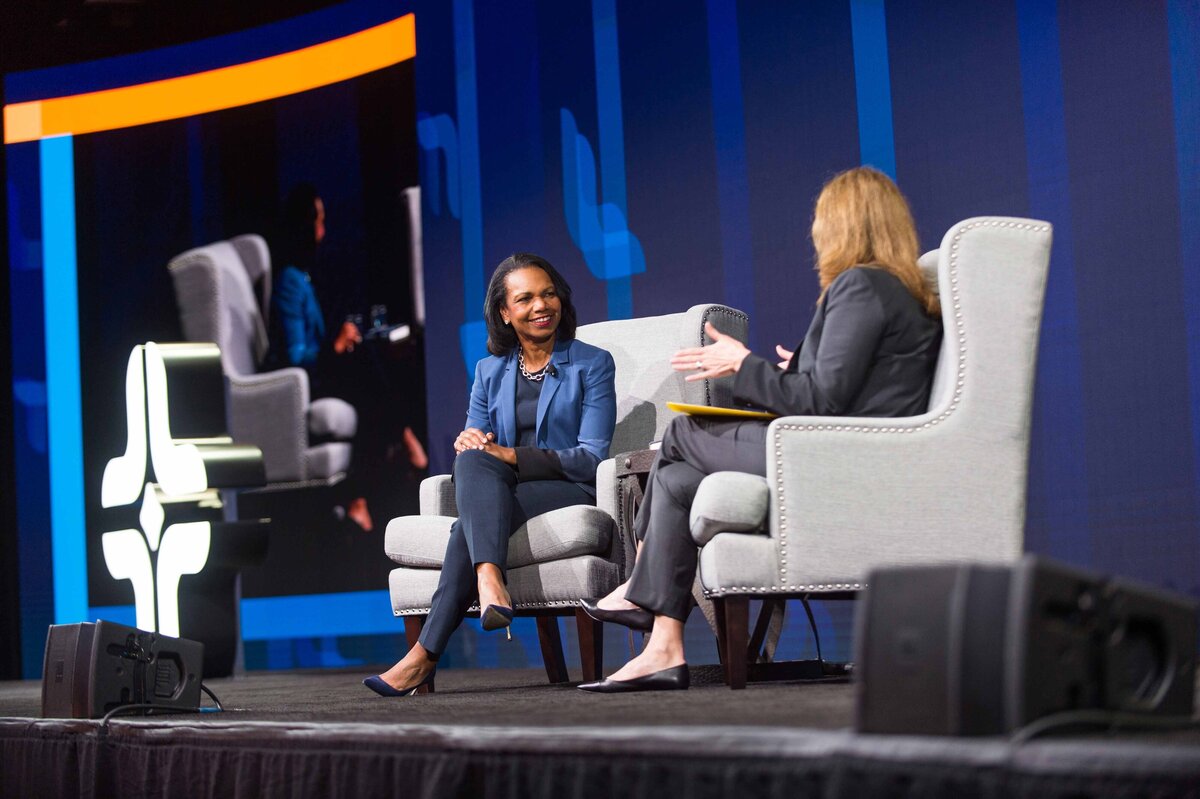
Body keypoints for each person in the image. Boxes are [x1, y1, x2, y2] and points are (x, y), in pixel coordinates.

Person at [577, 166, 943, 692]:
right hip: (845, 452)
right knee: (679, 482)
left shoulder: (861, 285)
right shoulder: (896, 290)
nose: (815, 234)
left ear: (843, 224)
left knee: (680, 436)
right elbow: (856, 386)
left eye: (821, 221)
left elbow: (821, 402)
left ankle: (640, 582)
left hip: (836, 460)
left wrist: (744, 364)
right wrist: (796, 369)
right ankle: (663, 648)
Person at [364, 253, 617, 697]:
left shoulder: (592, 364)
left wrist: (512, 455)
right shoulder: (488, 370)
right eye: (525, 299)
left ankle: (426, 652)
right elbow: (477, 439)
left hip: (568, 487)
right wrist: (471, 442)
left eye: (548, 294)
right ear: (505, 312)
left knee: (469, 525)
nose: (541, 306)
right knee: (471, 457)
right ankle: (488, 581)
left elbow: (592, 457)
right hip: (502, 490)